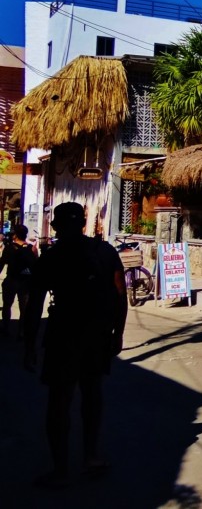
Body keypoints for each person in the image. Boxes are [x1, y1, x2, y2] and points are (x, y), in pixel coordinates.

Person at [22, 202, 128, 489]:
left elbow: (34, 305)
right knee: (92, 395)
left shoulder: (52, 256)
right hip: (95, 335)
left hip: (62, 334)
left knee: (59, 401)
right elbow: (120, 294)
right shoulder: (104, 251)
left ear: (56, 227)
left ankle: (60, 468)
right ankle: (90, 456)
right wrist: (117, 333)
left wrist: (29, 344)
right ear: (83, 223)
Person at [0, 224, 37, 337]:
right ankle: (21, 331)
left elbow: (1, 263)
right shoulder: (32, 248)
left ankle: (6, 328)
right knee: (24, 309)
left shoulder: (9, 248)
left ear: (15, 235)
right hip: (26, 282)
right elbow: (36, 266)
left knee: (7, 306)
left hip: (11, 280)